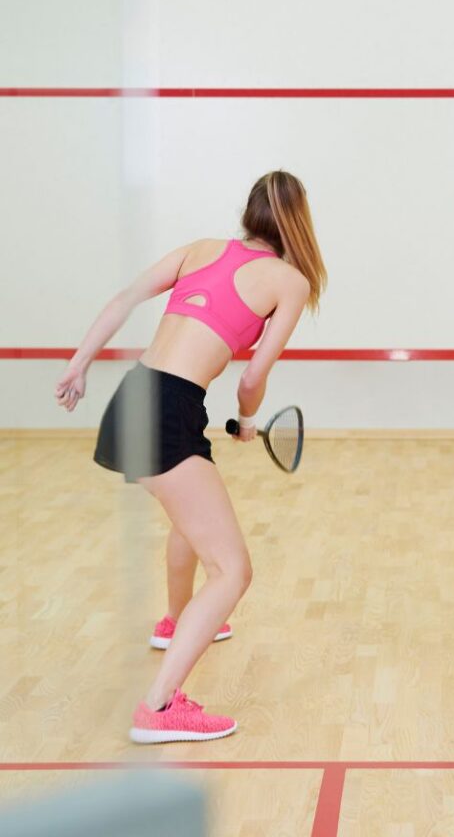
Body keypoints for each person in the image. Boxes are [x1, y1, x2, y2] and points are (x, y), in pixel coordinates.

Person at [55, 170, 326, 743]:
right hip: (173, 408)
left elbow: (124, 299)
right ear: (299, 221)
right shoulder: (290, 281)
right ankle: (158, 707)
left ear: (250, 213)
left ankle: (175, 622)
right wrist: (249, 422)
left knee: (190, 521)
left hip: (134, 396)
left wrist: (79, 363)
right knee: (233, 570)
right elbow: (253, 377)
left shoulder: (202, 249)